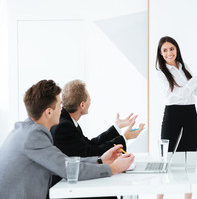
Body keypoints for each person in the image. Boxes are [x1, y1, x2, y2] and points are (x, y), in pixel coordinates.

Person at [0, 80, 134, 199]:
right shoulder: (33, 136)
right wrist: (113, 168)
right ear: (48, 112)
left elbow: (66, 162)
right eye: (59, 106)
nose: (62, 109)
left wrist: (100, 160)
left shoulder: (26, 130)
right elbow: (69, 170)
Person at [156, 36, 197, 199]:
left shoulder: (184, 67)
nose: (169, 53)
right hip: (172, 114)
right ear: (161, 54)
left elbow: (195, 92)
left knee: (189, 159)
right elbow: (180, 93)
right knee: (166, 159)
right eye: (165, 50)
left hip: (190, 113)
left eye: (172, 49)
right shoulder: (161, 73)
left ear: (176, 49)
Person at [51, 79, 145, 157]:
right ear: (82, 105)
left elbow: (90, 145)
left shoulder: (67, 120)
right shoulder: (64, 126)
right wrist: (125, 138)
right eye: (89, 99)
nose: (90, 101)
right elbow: (90, 153)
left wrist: (117, 127)